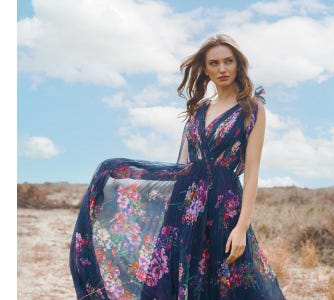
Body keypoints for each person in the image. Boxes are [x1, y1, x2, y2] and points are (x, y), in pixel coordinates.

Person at [69, 33, 286, 300]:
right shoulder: (198, 111)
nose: (222, 69)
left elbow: (252, 173)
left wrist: (241, 227)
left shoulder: (250, 109)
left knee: (229, 283)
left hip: (223, 205)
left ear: (238, 65)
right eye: (214, 63)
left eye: (228, 61)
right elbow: (180, 167)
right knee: (180, 278)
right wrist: (130, 183)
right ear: (205, 70)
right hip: (188, 205)